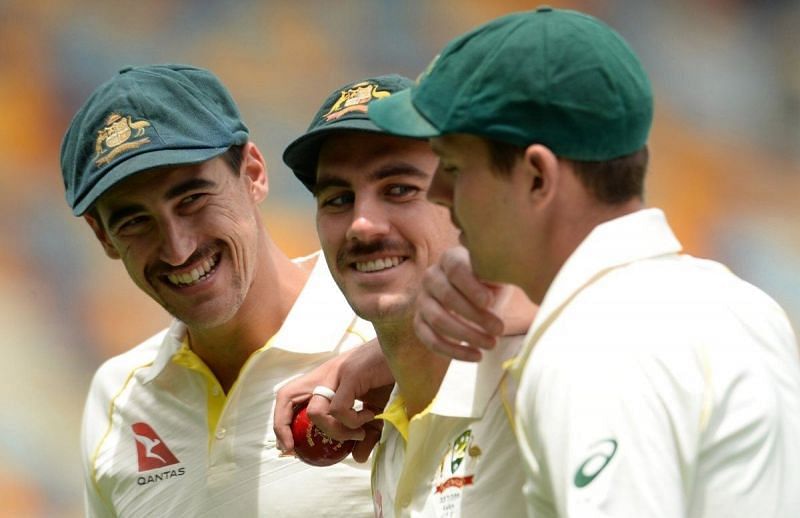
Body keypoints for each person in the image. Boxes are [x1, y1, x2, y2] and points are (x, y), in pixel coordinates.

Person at [368, 7, 800, 518]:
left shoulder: (589, 343)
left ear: (537, 176)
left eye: (457, 168)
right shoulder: (742, 304)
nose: (439, 193)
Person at [60, 64, 377, 517]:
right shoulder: (116, 397)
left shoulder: (387, 340)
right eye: (134, 221)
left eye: (192, 199)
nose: (177, 249)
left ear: (253, 174)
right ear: (103, 236)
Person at [277, 74, 533, 516]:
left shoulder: (531, 369)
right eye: (338, 198)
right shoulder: (390, 426)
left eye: (399, 189)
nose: (362, 224)